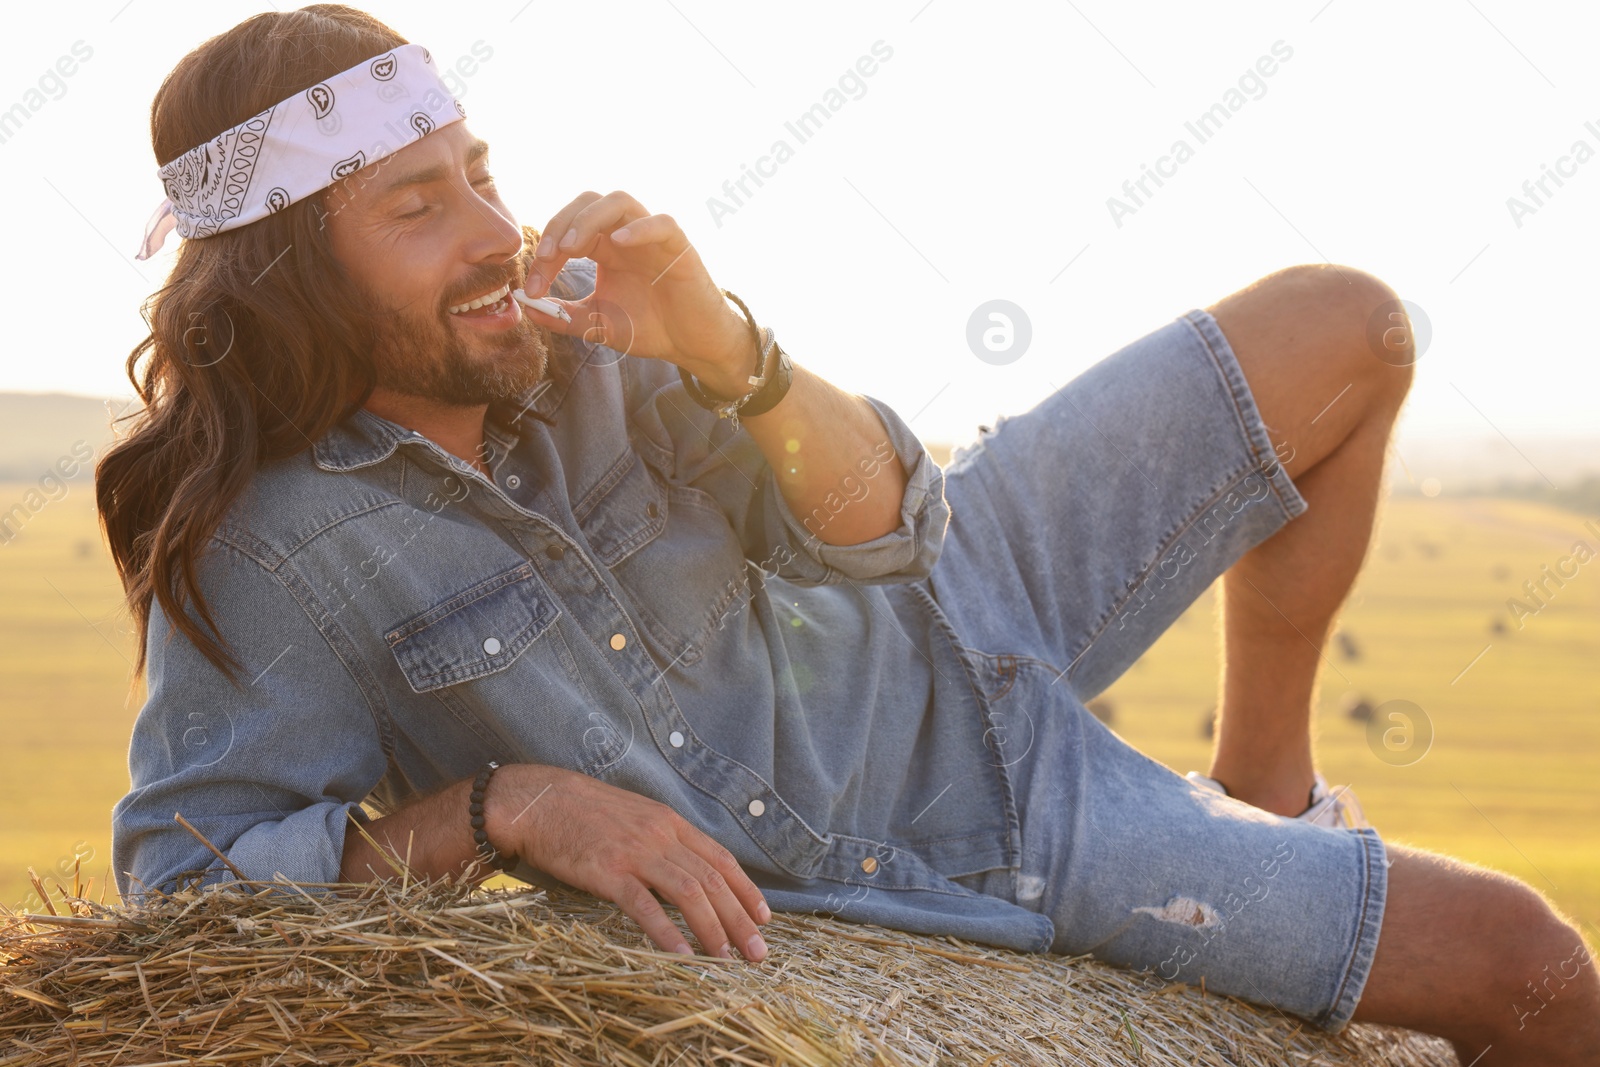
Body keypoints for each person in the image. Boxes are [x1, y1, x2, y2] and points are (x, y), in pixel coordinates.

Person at [102, 6, 1596, 1061]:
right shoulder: (270, 547)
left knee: (1350, 325)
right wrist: (504, 808)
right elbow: (191, 891)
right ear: (296, 275)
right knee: (1539, 976)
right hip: (967, 814)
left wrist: (723, 346)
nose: (496, 227)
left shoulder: (589, 338)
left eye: (481, 170)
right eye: (419, 206)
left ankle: (1264, 776)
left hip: (959, 577)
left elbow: (888, 534)